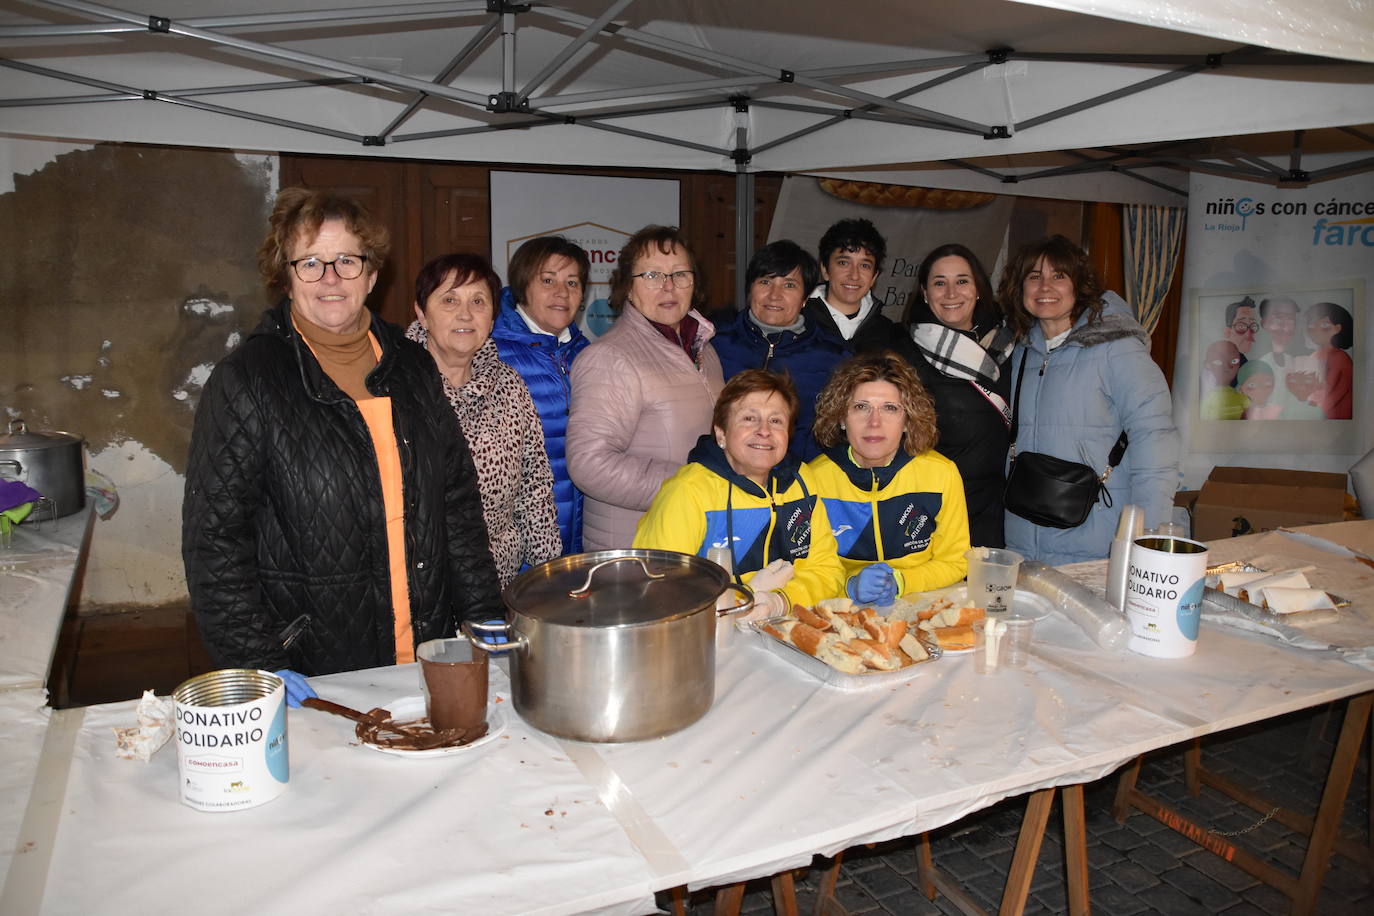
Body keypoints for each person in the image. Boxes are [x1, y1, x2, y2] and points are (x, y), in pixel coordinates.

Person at [182, 189, 501, 704]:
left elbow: (457, 506)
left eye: (346, 261)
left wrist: (485, 613)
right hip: (316, 667)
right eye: (311, 262)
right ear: (285, 276)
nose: (330, 278)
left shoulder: (414, 368)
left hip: (427, 650)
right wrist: (258, 662)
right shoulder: (248, 381)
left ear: (371, 274)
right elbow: (215, 542)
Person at [999, 235, 1179, 565]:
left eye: (1059, 275)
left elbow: (1155, 440)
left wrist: (1147, 537)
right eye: (1034, 276)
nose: (1045, 287)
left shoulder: (1118, 348)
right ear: (1019, 286)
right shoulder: (1020, 352)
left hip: (1097, 537)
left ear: (1079, 284)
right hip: (1022, 535)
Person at [406, 253, 562, 586]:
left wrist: (551, 578)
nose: (465, 314)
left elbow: (534, 489)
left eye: (478, 301)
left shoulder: (509, 385)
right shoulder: (397, 388)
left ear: (492, 318)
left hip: (496, 583)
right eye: (449, 300)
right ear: (421, 312)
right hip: (419, 588)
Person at [634, 370, 843, 614]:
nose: (764, 431)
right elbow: (658, 591)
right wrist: (743, 599)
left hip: (783, 629)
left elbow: (827, 570)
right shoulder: (688, 492)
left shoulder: (801, 481)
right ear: (721, 433)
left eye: (776, 421)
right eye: (749, 419)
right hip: (706, 641)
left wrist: (781, 601)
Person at [567, 226, 725, 550]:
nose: (668, 286)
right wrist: (691, 486)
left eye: (680, 274)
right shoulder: (609, 357)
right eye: (652, 275)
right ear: (627, 286)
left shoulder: (705, 349)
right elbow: (589, 464)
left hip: (692, 537)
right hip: (634, 549)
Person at [807, 353, 970, 605]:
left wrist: (902, 581)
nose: (874, 422)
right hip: (842, 606)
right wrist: (849, 584)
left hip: (924, 604)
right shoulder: (813, 481)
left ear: (907, 420)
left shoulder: (941, 474)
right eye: (861, 407)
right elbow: (807, 569)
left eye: (890, 408)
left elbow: (955, 561)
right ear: (841, 417)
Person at [891, 243, 1014, 548]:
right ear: (924, 292)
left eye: (962, 281)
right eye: (939, 283)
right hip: (935, 508)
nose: (951, 293)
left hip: (999, 508)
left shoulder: (1010, 344)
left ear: (978, 289)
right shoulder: (904, 351)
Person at [491, 236, 592, 553]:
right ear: (523, 286)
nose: (562, 293)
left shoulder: (586, 353)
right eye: (547, 280)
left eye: (572, 283)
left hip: (581, 531)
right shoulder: (491, 352)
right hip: (517, 540)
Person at [711, 240, 845, 460]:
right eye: (765, 281)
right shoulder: (714, 342)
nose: (775, 295)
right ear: (750, 288)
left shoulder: (834, 357)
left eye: (789, 285)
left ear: (805, 298)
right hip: (723, 475)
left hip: (799, 481)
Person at [802, 218, 897, 353]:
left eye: (864, 266)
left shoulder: (888, 332)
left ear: (874, 277)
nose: (854, 275)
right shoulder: (798, 320)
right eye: (843, 263)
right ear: (824, 269)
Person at [1257, 295, 1322, 419]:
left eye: (1291, 321)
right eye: (1278, 320)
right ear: (1264, 323)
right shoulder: (1258, 359)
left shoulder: (1307, 358)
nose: (1285, 327)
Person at [1303, 301, 1353, 419]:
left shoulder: (1341, 358)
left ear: (1337, 328)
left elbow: (1331, 397)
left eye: (1324, 326)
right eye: (1312, 326)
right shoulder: (1313, 356)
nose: (1317, 331)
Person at [1199, 340, 1247, 420]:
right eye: (1219, 361)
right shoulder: (1206, 392)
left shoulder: (1240, 393)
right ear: (1207, 365)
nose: (1227, 366)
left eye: (1234, 361)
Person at [1221, 296, 1258, 385]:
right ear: (1227, 332)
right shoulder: (1220, 362)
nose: (1249, 335)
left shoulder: (1243, 361)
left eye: (1252, 326)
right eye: (1241, 326)